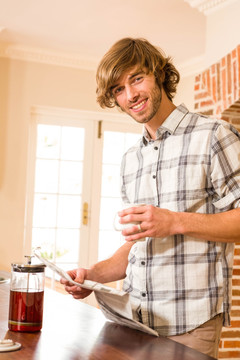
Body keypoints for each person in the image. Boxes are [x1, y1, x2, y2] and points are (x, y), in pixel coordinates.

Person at [61, 38, 240, 358]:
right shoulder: (132, 159)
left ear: (159, 74)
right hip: (132, 320)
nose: (130, 95)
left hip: (189, 327)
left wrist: (173, 221)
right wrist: (91, 276)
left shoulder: (214, 135)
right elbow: (136, 247)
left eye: (136, 78)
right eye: (118, 89)